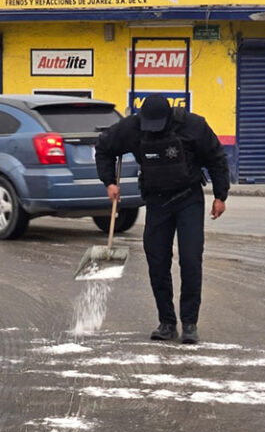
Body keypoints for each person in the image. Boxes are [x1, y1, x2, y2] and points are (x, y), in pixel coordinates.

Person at [95, 94, 230, 344]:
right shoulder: (133, 128)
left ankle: (189, 324)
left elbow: (216, 157)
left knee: (190, 260)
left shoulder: (193, 126)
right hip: (156, 201)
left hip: (188, 197)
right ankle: (167, 322)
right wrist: (109, 182)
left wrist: (221, 195)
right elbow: (103, 148)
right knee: (157, 261)